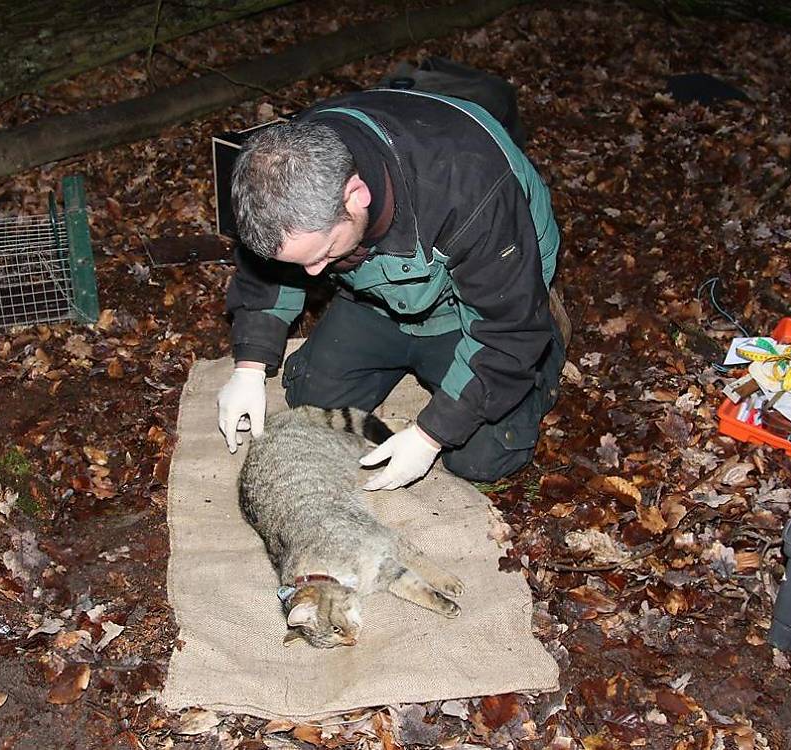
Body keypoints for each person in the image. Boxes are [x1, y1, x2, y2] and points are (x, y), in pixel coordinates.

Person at [218, 87, 568, 491]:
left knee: (483, 454)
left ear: (357, 196)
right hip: (376, 294)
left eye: (324, 252)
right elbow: (268, 272)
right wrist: (249, 367)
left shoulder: (467, 186)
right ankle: (397, 339)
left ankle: (546, 338)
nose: (312, 275)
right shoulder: (287, 163)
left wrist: (427, 436)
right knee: (311, 404)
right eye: (301, 261)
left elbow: (504, 331)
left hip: (475, 304)